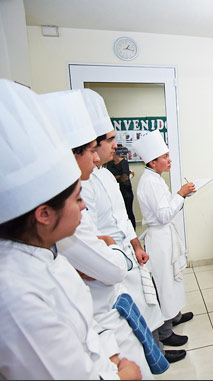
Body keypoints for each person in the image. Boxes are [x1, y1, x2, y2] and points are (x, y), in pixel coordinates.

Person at [0, 79, 140, 379]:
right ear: (44, 214)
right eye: (77, 199)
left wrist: (110, 356)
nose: (84, 207)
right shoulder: (14, 295)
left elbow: (82, 321)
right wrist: (126, 375)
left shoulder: (47, 253)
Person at [40, 89, 162, 377]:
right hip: (106, 289)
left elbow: (121, 217)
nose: (99, 156)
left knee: (143, 323)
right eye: (97, 146)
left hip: (118, 266)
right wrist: (113, 251)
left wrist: (128, 244)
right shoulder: (71, 200)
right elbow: (106, 264)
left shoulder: (105, 176)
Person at [80, 90, 186, 364]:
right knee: (144, 304)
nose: (115, 146)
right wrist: (182, 195)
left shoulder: (104, 175)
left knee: (148, 303)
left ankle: (157, 348)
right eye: (111, 140)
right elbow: (92, 234)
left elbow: (123, 217)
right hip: (111, 259)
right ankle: (155, 351)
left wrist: (135, 244)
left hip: (130, 250)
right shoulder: (84, 184)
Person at [134, 130, 195, 349]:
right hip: (159, 240)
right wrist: (180, 193)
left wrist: (181, 196)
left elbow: (165, 208)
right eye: (165, 157)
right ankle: (166, 332)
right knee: (165, 285)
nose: (169, 160)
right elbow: (163, 215)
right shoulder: (150, 182)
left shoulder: (154, 179)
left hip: (165, 236)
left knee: (172, 281)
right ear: (152, 161)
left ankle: (174, 316)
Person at [107, 144, 136, 229]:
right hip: (115, 192)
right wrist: (117, 177)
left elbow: (125, 178)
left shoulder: (124, 162)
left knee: (128, 212)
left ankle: (132, 231)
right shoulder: (110, 163)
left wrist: (115, 177)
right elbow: (109, 176)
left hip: (125, 192)